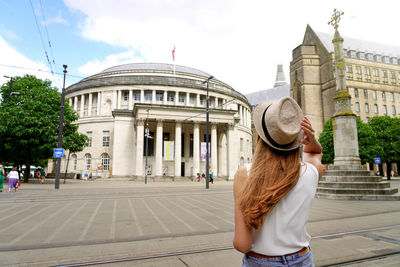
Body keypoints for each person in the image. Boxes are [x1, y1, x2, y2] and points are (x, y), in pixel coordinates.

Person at [233, 97, 324, 266]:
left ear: (260, 137)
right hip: (302, 259)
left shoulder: (244, 174)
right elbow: (315, 153)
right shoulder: (311, 172)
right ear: (298, 137)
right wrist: (312, 139)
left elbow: (242, 244)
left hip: (260, 262)